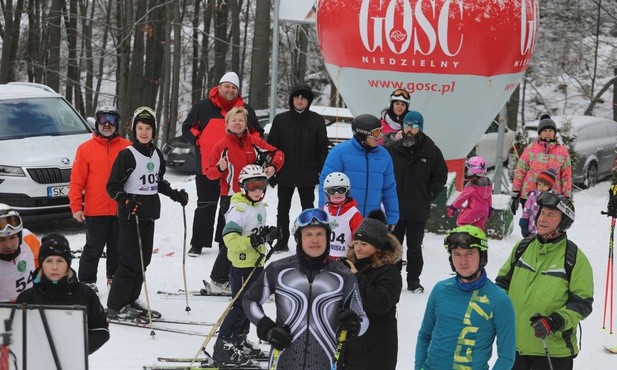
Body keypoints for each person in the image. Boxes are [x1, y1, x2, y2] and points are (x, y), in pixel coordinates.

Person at [243, 208, 368, 369]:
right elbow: (250, 300)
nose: (314, 240)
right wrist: (267, 328)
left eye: (320, 234)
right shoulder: (278, 269)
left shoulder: (344, 275)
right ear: (299, 238)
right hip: (284, 361)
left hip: (324, 362)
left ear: (328, 238)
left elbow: (363, 319)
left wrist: (355, 325)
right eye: (308, 234)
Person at [106, 107, 189, 320]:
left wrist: (174, 194)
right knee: (129, 261)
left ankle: (131, 298)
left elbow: (157, 181)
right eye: (140, 128)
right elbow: (112, 186)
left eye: (148, 128)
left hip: (149, 213)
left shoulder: (156, 154)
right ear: (134, 130)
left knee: (143, 261)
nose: (144, 132)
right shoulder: (127, 155)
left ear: (154, 131)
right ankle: (116, 305)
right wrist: (125, 200)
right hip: (130, 214)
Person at [496, 192, 593, 370]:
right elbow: (502, 283)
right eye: (542, 213)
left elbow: (582, 303)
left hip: (553, 352)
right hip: (515, 347)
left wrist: (554, 321)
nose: (543, 219)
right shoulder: (523, 247)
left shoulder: (575, 259)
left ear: (564, 222)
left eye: (551, 215)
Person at [203, 107, 284, 294]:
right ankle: (219, 279)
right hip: (231, 198)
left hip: (253, 197)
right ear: (227, 124)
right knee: (232, 239)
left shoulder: (254, 142)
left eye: (241, 120)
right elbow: (209, 173)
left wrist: (273, 166)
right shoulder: (221, 146)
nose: (238, 123)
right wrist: (220, 167)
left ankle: (242, 277)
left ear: (246, 123)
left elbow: (278, 153)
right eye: (234, 120)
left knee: (251, 236)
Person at [182, 71, 263, 257]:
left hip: (235, 170)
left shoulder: (246, 110)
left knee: (229, 207)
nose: (230, 90)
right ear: (219, 87)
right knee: (205, 204)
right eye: (227, 86)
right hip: (208, 166)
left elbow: (256, 132)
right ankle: (198, 243)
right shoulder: (203, 106)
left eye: (234, 87)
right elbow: (187, 127)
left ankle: (224, 241)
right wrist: (199, 140)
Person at [415, 225, 516, 370]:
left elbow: (506, 356)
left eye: (469, 253)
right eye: (457, 254)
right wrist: (419, 367)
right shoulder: (440, 290)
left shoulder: (499, 300)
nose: (463, 261)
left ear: (482, 256)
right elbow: (425, 335)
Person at [212, 165, 278, 366]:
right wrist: (254, 241)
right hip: (242, 266)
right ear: (243, 187)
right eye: (253, 186)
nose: (258, 190)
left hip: (256, 263)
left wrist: (267, 233)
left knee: (250, 306)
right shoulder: (238, 209)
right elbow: (230, 239)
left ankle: (239, 340)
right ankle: (224, 347)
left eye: (262, 185)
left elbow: (254, 231)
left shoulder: (258, 206)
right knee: (240, 306)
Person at [384, 110, 447, 293]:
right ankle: (393, 280)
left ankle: (413, 280)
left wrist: (428, 194)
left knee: (414, 247)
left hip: (418, 209)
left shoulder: (431, 150)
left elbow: (440, 175)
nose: (409, 129)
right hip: (395, 209)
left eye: (414, 126)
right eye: (406, 125)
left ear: (420, 127)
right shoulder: (393, 148)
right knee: (394, 246)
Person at [69, 106, 131, 293]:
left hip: (121, 208)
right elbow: (76, 180)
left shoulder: (127, 147)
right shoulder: (85, 149)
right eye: (103, 119)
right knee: (93, 247)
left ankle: (114, 280)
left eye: (111, 120)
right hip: (95, 209)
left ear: (117, 124)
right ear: (96, 122)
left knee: (117, 248)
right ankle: (86, 282)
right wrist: (76, 206)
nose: (107, 124)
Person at [16, 233, 109, 354]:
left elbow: (101, 330)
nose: (54, 267)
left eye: (60, 261)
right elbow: (16, 334)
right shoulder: (27, 297)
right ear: (41, 263)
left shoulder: (85, 294)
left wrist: (76, 349)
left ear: (68, 262)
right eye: (48, 261)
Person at [267, 83, 330, 252]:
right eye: (296, 97)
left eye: (303, 98)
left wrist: (322, 170)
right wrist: (272, 169)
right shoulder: (281, 120)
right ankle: (281, 241)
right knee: (282, 209)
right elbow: (272, 147)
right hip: (285, 171)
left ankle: (306, 242)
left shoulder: (317, 120)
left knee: (308, 210)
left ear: (308, 101)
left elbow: (322, 148)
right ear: (292, 100)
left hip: (308, 172)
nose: (300, 100)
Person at [339, 210, 402, 370]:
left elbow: (380, 304)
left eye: (364, 244)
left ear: (378, 248)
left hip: (375, 352)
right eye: (357, 243)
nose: (358, 248)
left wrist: (356, 277)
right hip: (349, 348)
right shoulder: (352, 266)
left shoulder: (389, 272)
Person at [318, 114, 399, 227]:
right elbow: (325, 185)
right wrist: (324, 215)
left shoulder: (384, 156)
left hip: (371, 220)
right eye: (376, 133)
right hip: (343, 219)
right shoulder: (340, 153)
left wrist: (392, 218)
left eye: (381, 131)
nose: (380, 136)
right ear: (362, 134)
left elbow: (389, 188)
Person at [511, 115, 572, 214]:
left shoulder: (562, 151)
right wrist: (515, 193)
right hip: (529, 195)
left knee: (547, 226)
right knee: (529, 224)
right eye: (545, 131)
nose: (547, 133)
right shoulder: (530, 148)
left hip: (553, 197)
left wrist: (567, 196)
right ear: (540, 133)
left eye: (550, 131)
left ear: (555, 133)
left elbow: (566, 175)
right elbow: (520, 171)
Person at [0, 204, 40, 302]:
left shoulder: (29, 240)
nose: (9, 245)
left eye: (13, 237)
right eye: (1, 240)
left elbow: (41, 271)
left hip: (33, 303)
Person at [322, 172, 363, 259]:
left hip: (345, 258)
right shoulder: (324, 210)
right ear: (326, 193)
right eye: (331, 191)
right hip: (325, 257)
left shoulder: (353, 214)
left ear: (347, 191)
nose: (336, 194)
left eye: (341, 190)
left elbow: (359, 238)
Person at [446, 156, 492, 231]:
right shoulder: (487, 182)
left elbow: (462, 197)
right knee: (478, 228)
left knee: (461, 222)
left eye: (467, 168)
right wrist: (490, 208)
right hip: (485, 211)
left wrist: (453, 207)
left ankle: (463, 240)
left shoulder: (472, 185)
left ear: (472, 171)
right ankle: (477, 240)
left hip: (474, 210)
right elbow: (489, 197)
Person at [519, 168, 557, 237]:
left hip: (546, 229)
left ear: (549, 186)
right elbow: (526, 209)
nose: (541, 187)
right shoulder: (533, 195)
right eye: (539, 184)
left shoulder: (553, 197)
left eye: (544, 185)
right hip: (532, 227)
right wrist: (524, 221)